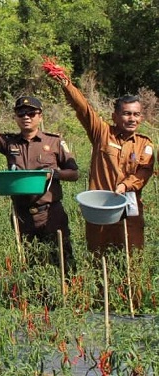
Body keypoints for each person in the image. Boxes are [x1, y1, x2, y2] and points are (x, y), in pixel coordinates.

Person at [0, 77, 79, 271]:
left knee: (62, 261)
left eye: (31, 113)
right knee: (32, 264)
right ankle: (37, 300)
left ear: (40, 116)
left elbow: (74, 173)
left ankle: (68, 296)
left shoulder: (55, 142)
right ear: (15, 117)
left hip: (51, 213)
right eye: (21, 113)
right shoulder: (10, 143)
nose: (26, 116)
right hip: (22, 215)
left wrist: (55, 174)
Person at [52, 74, 155, 255]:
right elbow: (83, 109)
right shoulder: (102, 133)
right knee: (99, 258)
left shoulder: (145, 144)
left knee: (133, 261)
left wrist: (125, 185)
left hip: (129, 211)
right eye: (127, 113)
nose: (132, 119)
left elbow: (144, 172)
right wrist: (67, 84)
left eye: (136, 114)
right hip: (100, 209)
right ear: (115, 116)